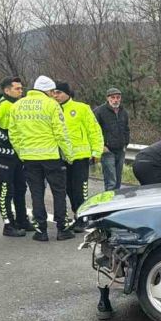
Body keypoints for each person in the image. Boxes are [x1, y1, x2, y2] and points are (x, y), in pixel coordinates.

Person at [10, 75, 75, 241]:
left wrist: (22, 153)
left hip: (29, 158)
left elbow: (13, 134)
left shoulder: (17, 105)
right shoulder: (51, 105)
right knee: (59, 192)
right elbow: (61, 132)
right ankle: (62, 228)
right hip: (51, 156)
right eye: (52, 91)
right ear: (47, 90)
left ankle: (41, 231)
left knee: (36, 193)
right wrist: (68, 155)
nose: (54, 95)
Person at [0, 77, 35, 237]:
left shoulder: (18, 104)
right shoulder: (3, 104)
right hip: (4, 155)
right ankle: (8, 224)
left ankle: (22, 219)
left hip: (19, 154)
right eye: (17, 88)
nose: (21, 91)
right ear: (7, 90)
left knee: (20, 187)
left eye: (21, 88)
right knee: (6, 189)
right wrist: (5, 137)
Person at [51, 82, 103, 230]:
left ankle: (84, 218)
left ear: (67, 93)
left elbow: (94, 130)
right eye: (54, 93)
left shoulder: (81, 108)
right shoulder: (52, 109)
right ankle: (76, 214)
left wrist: (96, 151)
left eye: (59, 92)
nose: (56, 96)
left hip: (80, 156)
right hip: (61, 157)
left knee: (79, 189)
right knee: (67, 188)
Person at [94, 87, 130, 191]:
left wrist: (125, 144)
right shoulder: (99, 111)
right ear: (107, 98)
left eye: (118, 97)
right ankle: (109, 204)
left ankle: (116, 202)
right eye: (113, 97)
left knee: (118, 180)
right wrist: (102, 146)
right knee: (111, 181)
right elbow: (94, 130)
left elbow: (127, 129)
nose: (115, 100)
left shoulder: (124, 112)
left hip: (120, 149)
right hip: (107, 150)